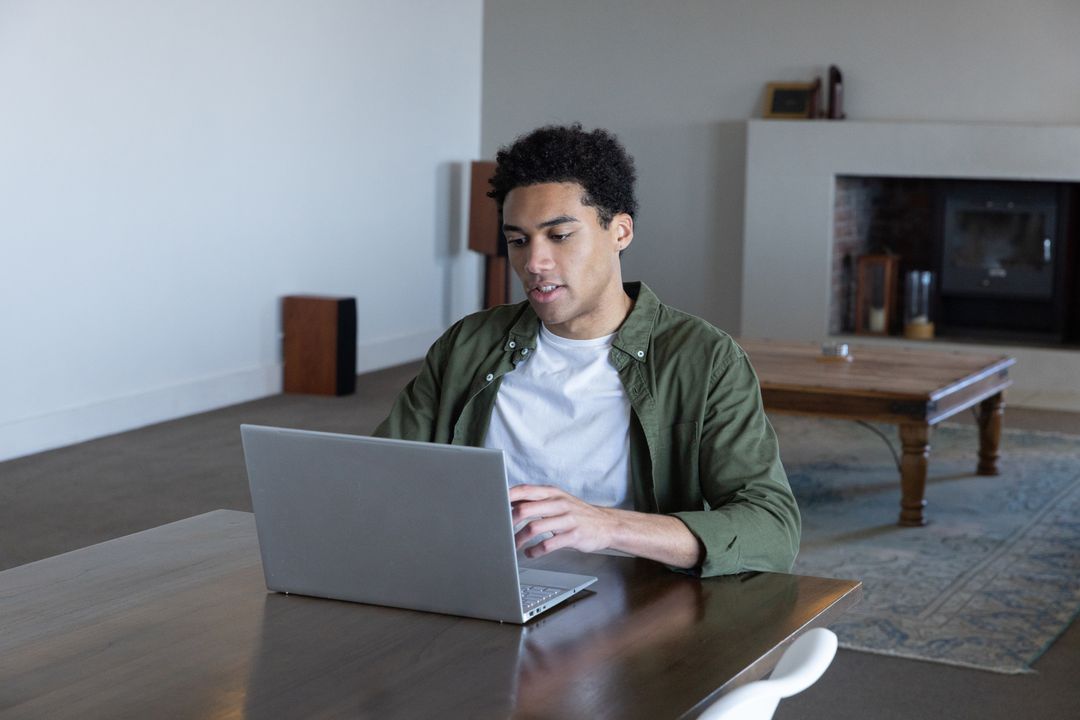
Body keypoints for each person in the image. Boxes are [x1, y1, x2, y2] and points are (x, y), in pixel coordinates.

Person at [374, 124, 799, 577]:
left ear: (620, 231)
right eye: (518, 240)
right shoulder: (469, 345)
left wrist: (609, 526)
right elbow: (380, 475)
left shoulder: (704, 359)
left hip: (636, 606)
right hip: (476, 584)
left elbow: (772, 529)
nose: (533, 263)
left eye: (559, 236)